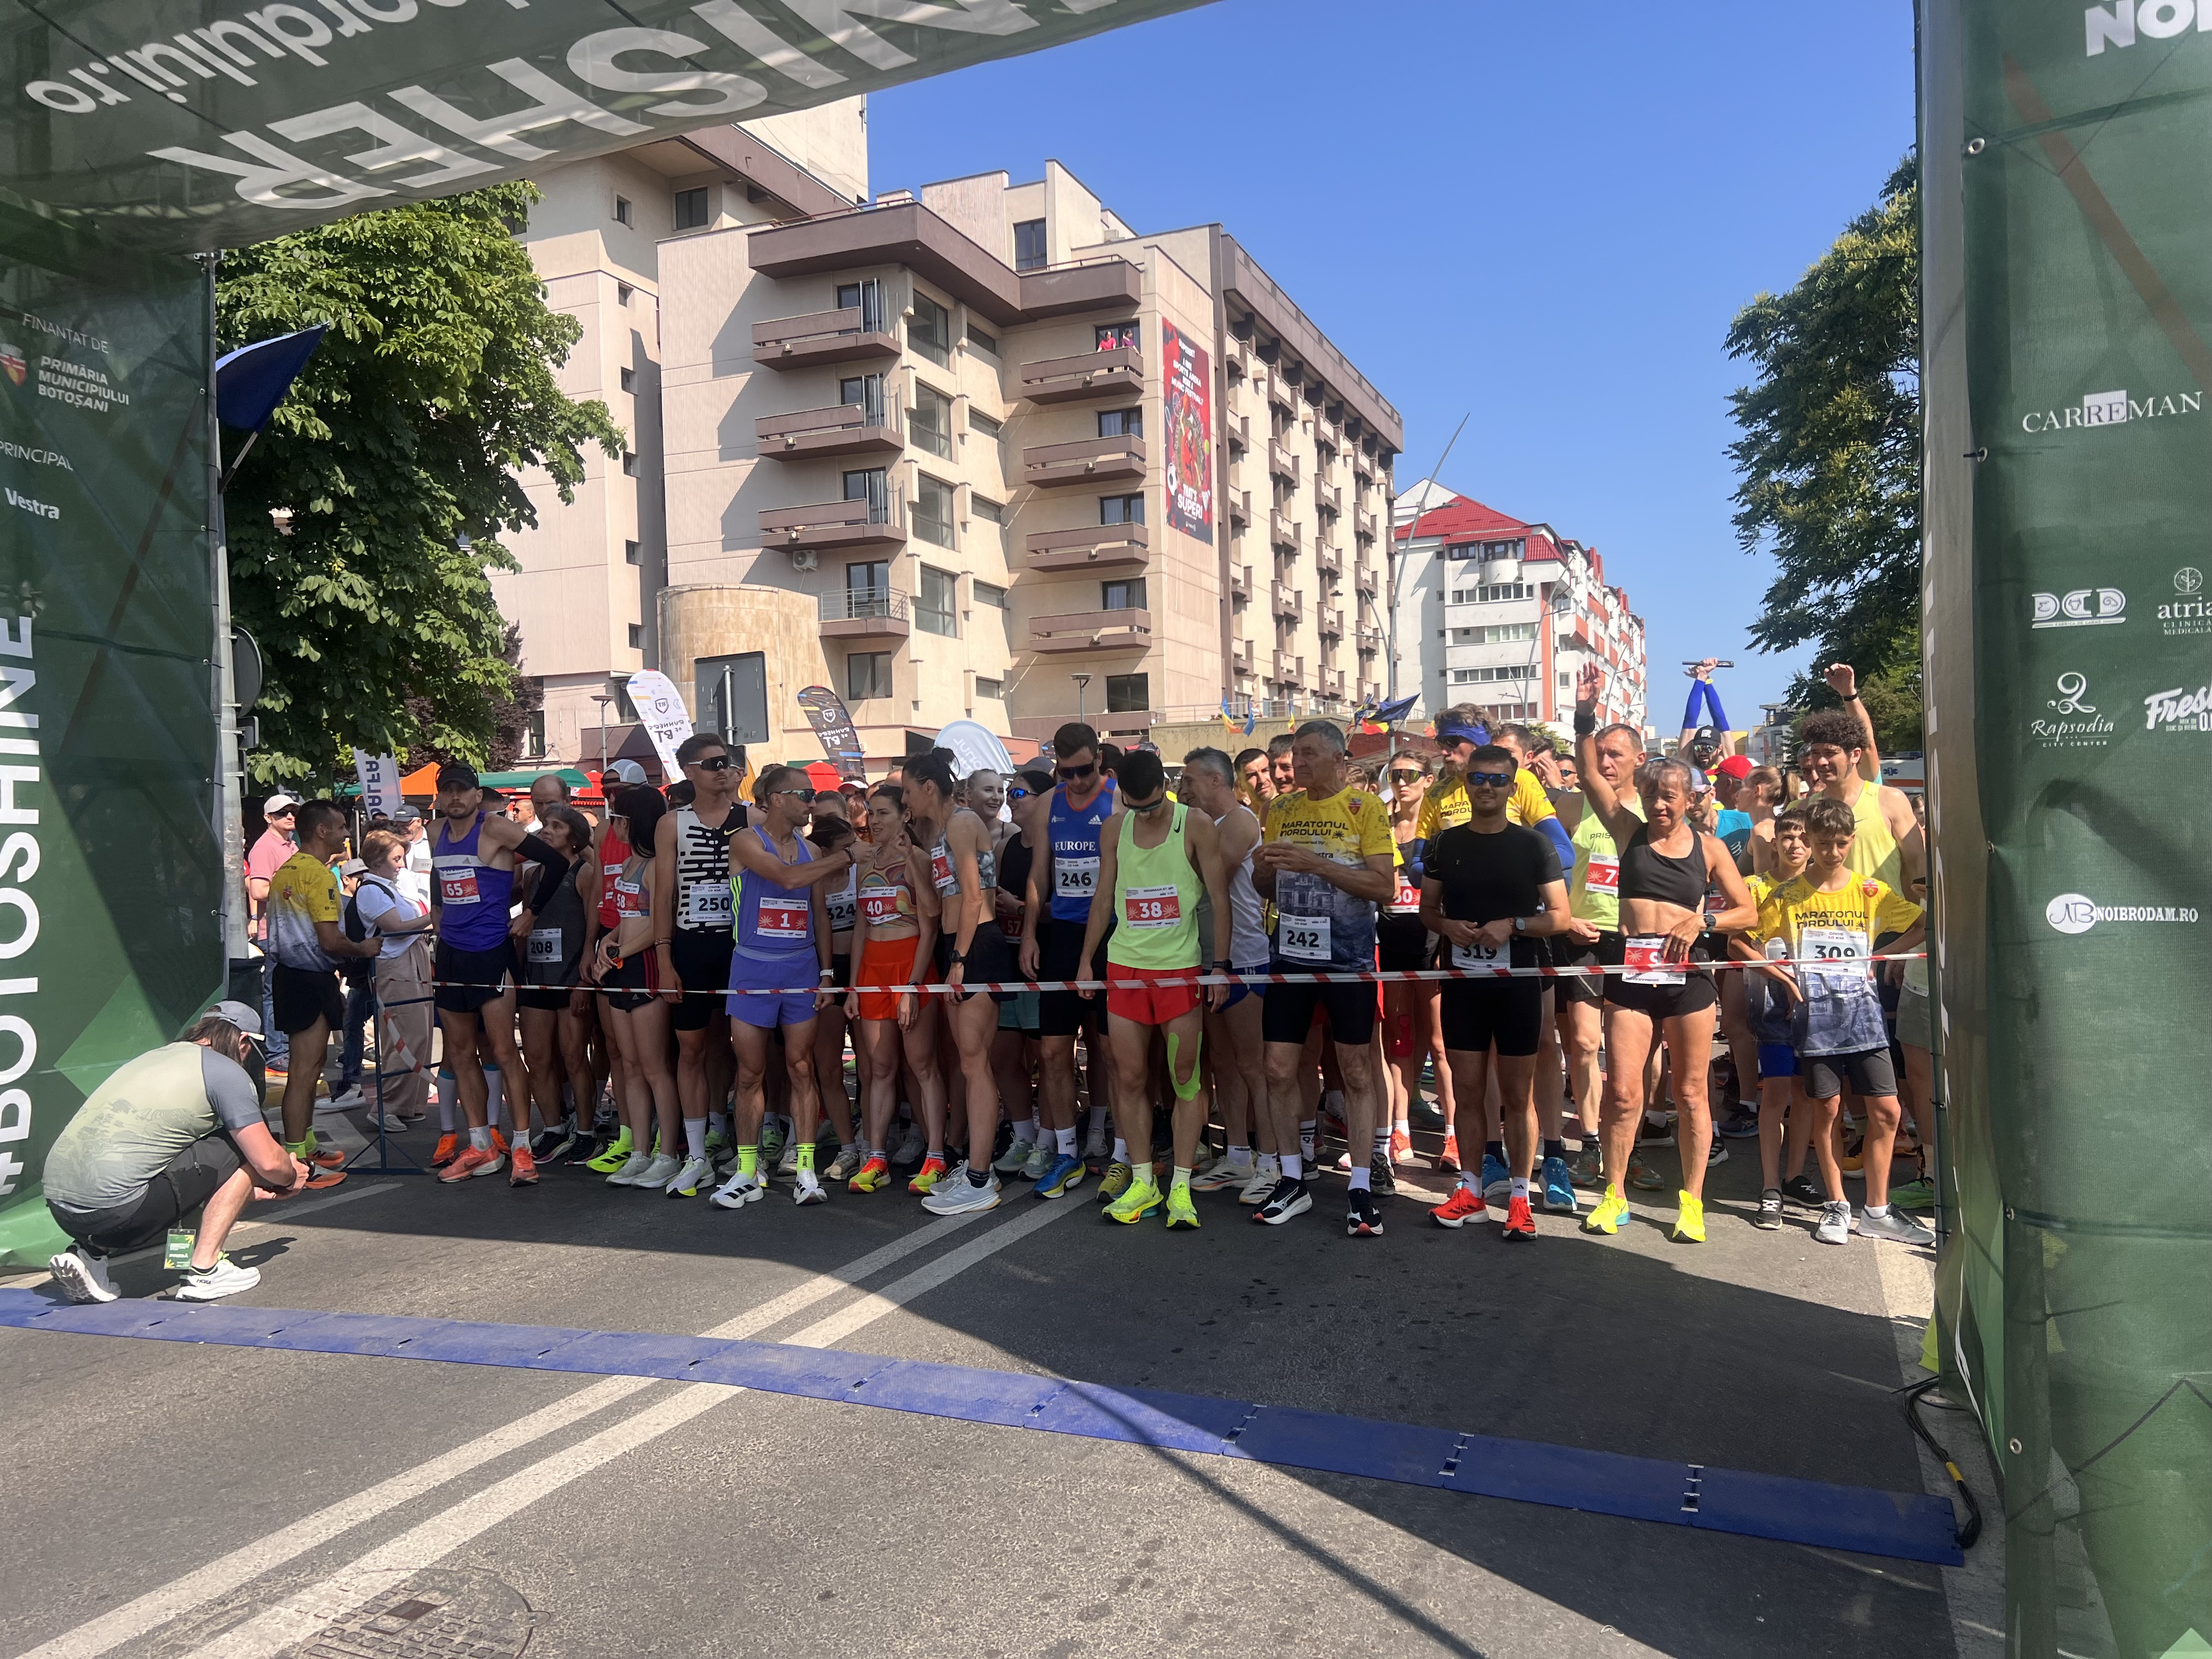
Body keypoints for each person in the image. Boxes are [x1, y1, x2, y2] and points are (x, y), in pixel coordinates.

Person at [1573, 663, 1759, 1244]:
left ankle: (1693, 1201)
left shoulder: (1709, 848)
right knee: (1624, 1092)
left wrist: (1703, 919)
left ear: (1689, 799)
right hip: (1632, 976)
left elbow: (1748, 911)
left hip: (1687, 981)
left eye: (1669, 797)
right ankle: (1615, 1195)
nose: (1659, 805)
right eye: (1652, 795)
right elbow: (1589, 775)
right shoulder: (1627, 832)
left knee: (1691, 1092)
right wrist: (1584, 715)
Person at [1748, 797, 1932, 1246]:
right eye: (1824, 843)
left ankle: (1877, 1211)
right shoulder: (1787, 895)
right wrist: (1782, 977)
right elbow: (1743, 941)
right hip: (1816, 1021)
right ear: (1810, 841)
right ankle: (1836, 1205)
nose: (1832, 852)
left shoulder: (1870, 890)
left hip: (1864, 1017)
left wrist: (1882, 955)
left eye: (1841, 844)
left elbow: (1922, 923)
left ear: (1852, 841)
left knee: (1888, 1112)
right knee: (1828, 1110)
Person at [44, 1003, 312, 1304]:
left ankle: (89, 1255)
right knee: (242, 1144)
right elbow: (268, 1162)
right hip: (121, 1212)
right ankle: (205, 1272)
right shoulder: (226, 1072)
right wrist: (291, 1177)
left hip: (61, 1207)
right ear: (243, 1042)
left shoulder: (154, 1057)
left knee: (155, 1152)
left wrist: (237, 1190)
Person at [1250, 720, 1397, 1234]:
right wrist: (1264, 870)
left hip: (1348, 960)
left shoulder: (1366, 807)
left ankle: (1360, 1186)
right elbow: (1266, 885)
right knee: (1277, 1069)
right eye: (1296, 754)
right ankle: (1292, 1178)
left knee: (1355, 1071)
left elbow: (1384, 886)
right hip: (1290, 957)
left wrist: (1316, 864)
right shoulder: (1281, 809)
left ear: (1338, 759)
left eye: (1310, 754)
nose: (1299, 763)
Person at [1419, 746, 1572, 1240]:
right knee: (1466, 1091)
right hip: (1464, 983)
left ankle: (1521, 1199)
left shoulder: (1533, 845)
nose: (1487, 787)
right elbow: (1427, 911)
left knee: (1517, 1095)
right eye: (1479, 778)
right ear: (1466, 782)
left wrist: (1515, 925)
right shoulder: (1443, 844)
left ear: (1513, 786)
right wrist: (1448, 926)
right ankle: (1471, 1192)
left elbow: (1561, 917)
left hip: (1518, 984)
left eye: (1498, 780)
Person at [1075, 748, 1232, 1229]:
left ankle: (1180, 1185)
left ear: (1165, 788)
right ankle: (1143, 1181)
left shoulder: (1195, 824)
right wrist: (1086, 960)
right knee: (1129, 1078)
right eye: (1135, 807)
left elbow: (1219, 898)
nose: (1145, 814)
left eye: (1152, 806)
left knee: (1185, 1079)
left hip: (1179, 971)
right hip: (1125, 969)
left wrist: (1220, 967)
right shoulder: (1113, 828)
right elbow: (1104, 896)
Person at [708, 765, 851, 1208]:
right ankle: (747, 1171)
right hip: (752, 969)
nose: (812, 803)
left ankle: (806, 1169)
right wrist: (848, 856)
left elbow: (820, 915)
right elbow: (786, 879)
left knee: (802, 1067)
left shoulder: (811, 849)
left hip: (801, 969)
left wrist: (826, 974)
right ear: (775, 799)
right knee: (750, 1072)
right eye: (804, 794)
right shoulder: (745, 841)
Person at [426, 761, 572, 1186]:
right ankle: (480, 1146)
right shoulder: (435, 832)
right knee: (460, 1053)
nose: (455, 797)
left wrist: (531, 913)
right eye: (448, 790)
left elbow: (555, 862)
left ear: (477, 795)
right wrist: (438, 915)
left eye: (462, 790)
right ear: (440, 797)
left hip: (491, 951)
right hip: (451, 955)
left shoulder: (495, 828)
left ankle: (522, 1146)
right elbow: (439, 876)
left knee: (505, 1051)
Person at [906, 749, 1018, 1216]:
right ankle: (975, 1169)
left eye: (908, 791)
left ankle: (979, 1176)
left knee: (975, 1065)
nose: (906, 801)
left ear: (928, 787)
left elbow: (974, 898)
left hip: (976, 947)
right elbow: (938, 907)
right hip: (957, 944)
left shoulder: (962, 822)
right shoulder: (941, 832)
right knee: (968, 1063)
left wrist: (959, 960)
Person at [1020, 723, 1120, 1190]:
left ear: (1098, 759)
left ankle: (1122, 1152)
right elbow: (1039, 874)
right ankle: (1065, 1151)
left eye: (1084, 770)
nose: (1077, 781)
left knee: (1116, 1052)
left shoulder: (1118, 801)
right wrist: (1029, 934)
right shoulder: (1049, 803)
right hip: (1062, 934)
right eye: (1067, 773)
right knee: (1052, 1051)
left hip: (1113, 937)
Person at [264, 799, 382, 1185]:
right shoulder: (317, 874)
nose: (347, 834)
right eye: (342, 826)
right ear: (321, 831)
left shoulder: (288, 870)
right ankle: (296, 1160)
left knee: (311, 1067)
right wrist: (363, 948)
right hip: (307, 977)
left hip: (295, 975)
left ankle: (306, 1144)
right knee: (304, 1071)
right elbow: (330, 940)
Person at [1178, 748, 1276, 1201]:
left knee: (1254, 1065)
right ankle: (1238, 1156)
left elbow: (1208, 875)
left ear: (1216, 780)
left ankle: (1272, 1162)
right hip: (1206, 959)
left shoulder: (1240, 820)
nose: (1183, 788)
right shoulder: (1199, 824)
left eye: (1190, 779)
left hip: (1243, 959)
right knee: (1221, 1062)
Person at [653, 732, 750, 1188]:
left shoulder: (752, 817)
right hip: (692, 945)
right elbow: (663, 895)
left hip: (742, 947)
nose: (722, 770)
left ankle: (752, 1148)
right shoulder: (672, 823)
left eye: (725, 762)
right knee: (691, 1049)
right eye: (712, 764)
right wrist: (664, 958)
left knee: (748, 1049)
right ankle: (696, 1155)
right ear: (689, 771)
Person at [844, 783, 949, 1194]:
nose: (874, 821)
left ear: (905, 816)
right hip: (873, 969)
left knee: (922, 1066)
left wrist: (912, 987)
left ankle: (936, 1157)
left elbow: (931, 923)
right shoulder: (865, 862)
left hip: (911, 966)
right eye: (871, 813)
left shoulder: (919, 858)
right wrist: (854, 986)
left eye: (883, 813)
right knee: (880, 1067)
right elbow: (860, 927)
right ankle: (876, 1159)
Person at [1554, 715, 1643, 1189]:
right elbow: (1548, 871)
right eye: (1600, 753)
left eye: (1616, 754)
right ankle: (1590, 1141)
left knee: (1640, 1052)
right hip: (1583, 937)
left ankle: (1631, 1144)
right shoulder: (1572, 805)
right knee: (1586, 1043)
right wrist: (1566, 918)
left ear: (1638, 760)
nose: (1606, 762)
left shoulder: (1653, 807)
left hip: (1634, 940)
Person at [591, 785, 685, 1190]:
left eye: (618, 819)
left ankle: (668, 1154)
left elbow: (661, 924)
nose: (614, 826)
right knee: (629, 1067)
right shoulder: (629, 862)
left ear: (633, 822)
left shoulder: (658, 865)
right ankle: (640, 1152)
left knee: (654, 1067)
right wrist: (608, 943)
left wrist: (619, 951)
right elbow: (625, 918)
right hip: (621, 967)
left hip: (644, 967)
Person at [514, 805, 596, 1161]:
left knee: (575, 1056)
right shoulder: (533, 875)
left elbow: (593, 929)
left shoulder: (585, 872)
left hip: (571, 977)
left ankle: (586, 1131)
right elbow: (525, 926)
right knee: (537, 1058)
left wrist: (584, 982)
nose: (546, 830)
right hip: (536, 978)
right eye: (546, 824)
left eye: (557, 826)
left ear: (575, 838)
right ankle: (553, 1128)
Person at [1799, 663, 1923, 893]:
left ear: (1855, 755)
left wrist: (1849, 695)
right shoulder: (1803, 809)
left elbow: (1918, 865)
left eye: (1830, 753)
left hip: (1885, 915)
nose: (1822, 762)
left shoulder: (1890, 801)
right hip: (1824, 915)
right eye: (1816, 754)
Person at [989, 768, 1056, 1184]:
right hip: (1007, 962)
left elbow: (1066, 909)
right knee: (1003, 1056)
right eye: (1009, 792)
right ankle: (1023, 1134)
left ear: (1045, 799)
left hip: (1044, 962)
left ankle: (1048, 1140)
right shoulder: (1006, 846)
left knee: (1048, 1058)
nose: (1010, 800)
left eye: (1019, 793)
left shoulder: (1055, 848)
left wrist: (1021, 909)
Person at [349, 827, 436, 1130]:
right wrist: (435, 917)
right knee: (404, 1035)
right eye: (396, 859)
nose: (402, 865)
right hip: (395, 963)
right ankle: (387, 1106)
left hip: (411, 957)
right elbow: (396, 927)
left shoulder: (391, 887)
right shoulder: (372, 890)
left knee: (420, 1032)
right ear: (376, 861)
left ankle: (408, 1104)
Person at [1376, 751, 1438, 1169]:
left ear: (1428, 780)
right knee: (1399, 1036)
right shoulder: (1380, 824)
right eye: (1395, 774)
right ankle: (1400, 1127)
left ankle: (1453, 1135)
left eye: (1410, 774)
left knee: (1438, 1041)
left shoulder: (1439, 829)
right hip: (1392, 940)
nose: (1402, 782)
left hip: (1433, 941)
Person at [808, 812, 867, 1182]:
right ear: (827, 851)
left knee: (871, 1064)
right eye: (847, 848)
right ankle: (846, 1145)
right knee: (828, 1066)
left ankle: (873, 1140)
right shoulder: (813, 877)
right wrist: (826, 974)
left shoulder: (859, 871)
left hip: (861, 970)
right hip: (827, 972)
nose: (854, 852)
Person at [245, 794, 299, 1072]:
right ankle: (277, 1053)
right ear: (268, 818)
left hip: (290, 932)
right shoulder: (265, 847)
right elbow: (258, 890)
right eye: (282, 813)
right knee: (276, 994)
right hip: (275, 933)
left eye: (292, 811)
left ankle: (285, 1050)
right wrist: (292, 889)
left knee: (287, 993)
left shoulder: (291, 844)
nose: (289, 816)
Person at [1237, 747, 1275, 811]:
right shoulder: (1241, 817)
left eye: (1265, 771)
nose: (1262, 780)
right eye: (1252, 775)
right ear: (1241, 785)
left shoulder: (1292, 808)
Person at [1266, 732, 1296, 797]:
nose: (1277, 776)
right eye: (1272, 767)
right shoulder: (1274, 803)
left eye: (1286, 767)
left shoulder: (1318, 802)